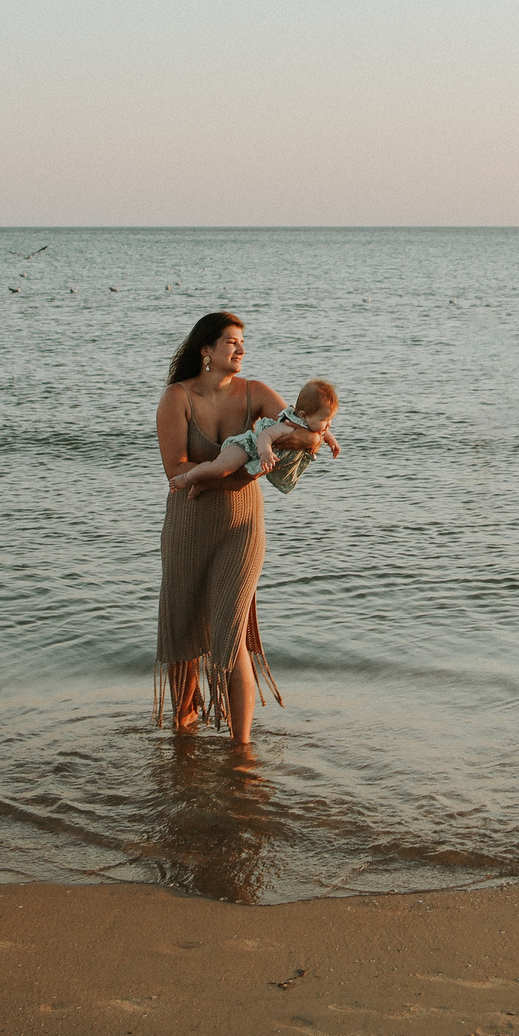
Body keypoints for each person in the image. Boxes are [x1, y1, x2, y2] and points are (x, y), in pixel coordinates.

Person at [154, 312, 328, 744]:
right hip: (188, 526)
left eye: (241, 342)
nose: (240, 349)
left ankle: (242, 747)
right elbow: (174, 468)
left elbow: (309, 433)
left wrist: (273, 445)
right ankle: (184, 730)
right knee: (184, 631)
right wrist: (243, 470)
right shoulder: (176, 398)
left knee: (231, 633)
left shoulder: (256, 393)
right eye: (230, 341)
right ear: (206, 350)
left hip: (242, 528)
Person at [168, 378, 341, 496]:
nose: (328, 425)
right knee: (220, 468)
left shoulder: (312, 425)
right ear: (303, 415)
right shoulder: (288, 425)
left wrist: (330, 441)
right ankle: (187, 478)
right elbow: (265, 435)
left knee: (237, 484)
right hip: (245, 447)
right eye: (325, 420)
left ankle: (203, 485)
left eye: (330, 419)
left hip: (254, 458)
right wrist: (265, 453)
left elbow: (323, 432)